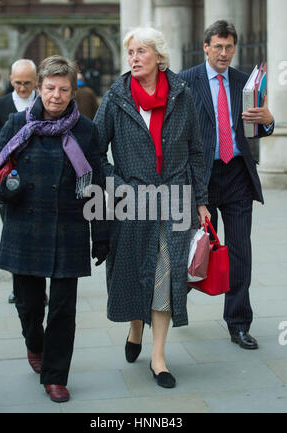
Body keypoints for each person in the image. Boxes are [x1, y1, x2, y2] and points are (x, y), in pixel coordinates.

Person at [0, 55, 109, 402]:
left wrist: (101, 235)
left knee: (62, 310)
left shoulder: (86, 130)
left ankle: (55, 376)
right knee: (28, 305)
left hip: (69, 228)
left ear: (73, 91)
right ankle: (34, 344)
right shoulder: (16, 123)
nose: (56, 95)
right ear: (39, 88)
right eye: (50, 88)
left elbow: (97, 183)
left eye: (64, 89)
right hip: (24, 226)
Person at [94, 27, 210, 388]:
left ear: (159, 57)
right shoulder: (115, 98)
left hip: (175, 198)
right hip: (133, 202)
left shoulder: (182, 95)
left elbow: (195, 150)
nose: (134, 58)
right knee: (132, 271)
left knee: (167, 272)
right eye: (130, 53)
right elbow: (95, 152)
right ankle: (134, 327)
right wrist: (119, 186)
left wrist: (202, 200)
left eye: (141, 52)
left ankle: (158, 358)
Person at [178, 20, 274, 350]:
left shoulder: (244, 81)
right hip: (202, 179)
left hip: (236, 176)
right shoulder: (186, 81)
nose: (223, 53)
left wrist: (268, 121)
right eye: (217, 46)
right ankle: (175, 302)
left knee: (239, 252)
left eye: (229, 47)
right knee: (194, 251)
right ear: (206, 47)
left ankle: (238, 323)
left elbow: (255, 129)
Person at [0, 59, 38, 304]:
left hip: (40, 181)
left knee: (37, 235)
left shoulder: (45, 103)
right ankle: (19, 288)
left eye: (27, 83)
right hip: (7, 182)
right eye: (18, 83)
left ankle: (38, 287)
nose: (22, 87)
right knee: (13, 234)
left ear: (36, 81)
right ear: (10, 80)